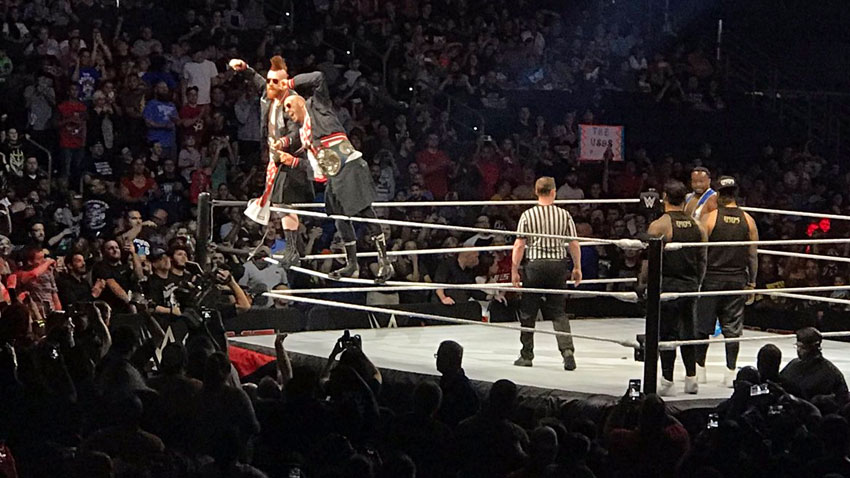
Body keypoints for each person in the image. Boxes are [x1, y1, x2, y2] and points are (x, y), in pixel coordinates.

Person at [274, 70, 393, 282]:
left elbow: (319, 77)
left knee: (364, 211)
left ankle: (384, 261)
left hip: (349, 166)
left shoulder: (318, 106)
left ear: (300, 101)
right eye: (285, 109)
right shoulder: (304, 134)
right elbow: (315, 169)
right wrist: (291, 160)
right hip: (333, 175)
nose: (288, 111)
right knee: (339, 217)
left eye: (289, 105)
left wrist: (288, 83)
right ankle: (351, 263)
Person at [228, 56, 314, 268]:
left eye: (275, 81)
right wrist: (245, 68)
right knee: (281, 203)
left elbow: (298, 131)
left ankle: (293, 250)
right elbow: (258, 81)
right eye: (269, 81)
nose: (270, 85)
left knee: (285, 202)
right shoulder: (269, 94)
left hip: (292, 156)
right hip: (276, 156)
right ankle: (294, 248)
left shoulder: (293, 101)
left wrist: (282, 143)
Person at [511, 177, 582, 370]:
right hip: (557, 266)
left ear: (536, 192)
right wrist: (577, 267)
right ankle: (567, 352)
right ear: (553, 192)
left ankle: (526, 355)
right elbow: (573, 243)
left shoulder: (527, 215)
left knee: (528, 311)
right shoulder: (564, 215)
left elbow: (519, 245)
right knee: (558, 311)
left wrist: (514, 270)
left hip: (535, 266)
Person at [695, 176, 759, 387]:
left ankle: (699, 371)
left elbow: (701, 254)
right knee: (732, 329)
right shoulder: (748, 220)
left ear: (719, 195)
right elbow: (752, 255)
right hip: (736, 280)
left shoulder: (710, 218)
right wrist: (752, 283)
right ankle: (730, 373)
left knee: (703, 326)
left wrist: (698, 279)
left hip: (711, 279)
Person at [646, 179, 706, 396]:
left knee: (667, 333)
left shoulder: (660, 225)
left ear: (664, 198)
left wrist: (646, 285)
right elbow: (703, 260)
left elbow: (651, 263)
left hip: (668, 285)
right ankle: (691, 378)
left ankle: (668, 381)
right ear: (685, 199)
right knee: (689, 331)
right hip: (690, 285)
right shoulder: (698, 226)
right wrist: (698, 283)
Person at [780, 327, 848, 400]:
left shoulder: (831, 373)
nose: (799, 350)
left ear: (816, 346)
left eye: (803, 347)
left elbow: (842, 399)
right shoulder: (793, 365)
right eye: (797, 346)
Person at [435, 340, 479, 428]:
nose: (438, 360)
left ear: (455, 360)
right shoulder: (446, 382)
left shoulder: (464, 390)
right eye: (438, 355)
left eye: (443, 356)